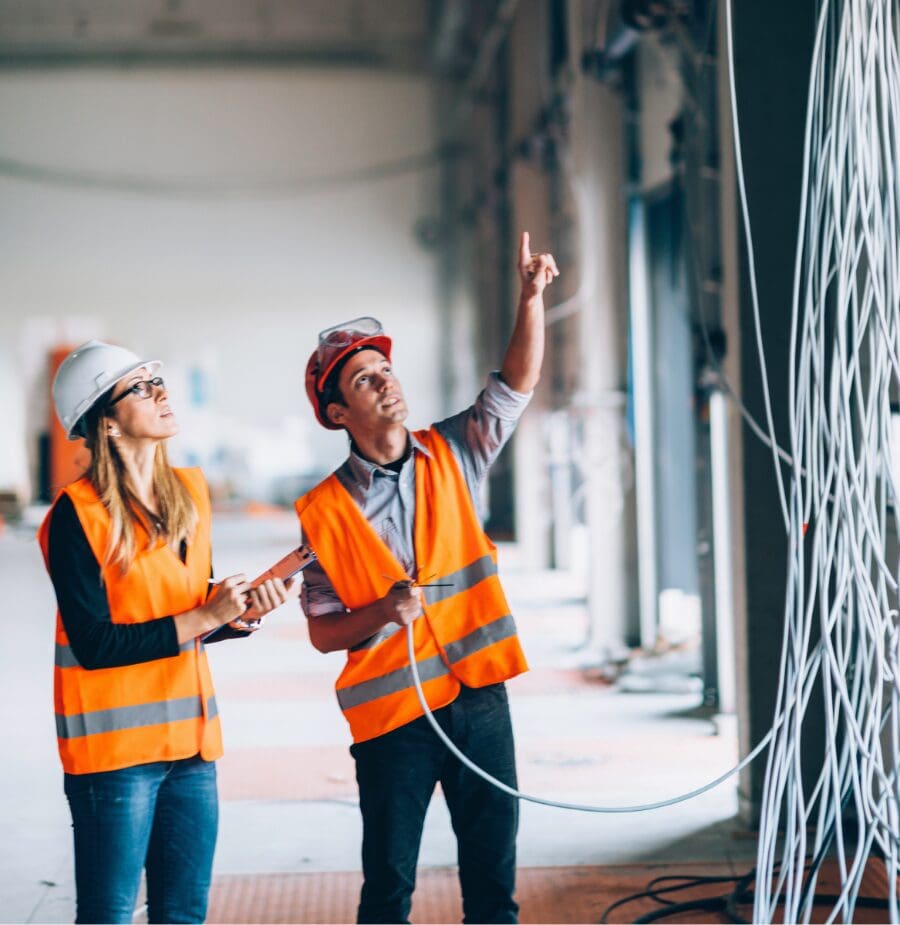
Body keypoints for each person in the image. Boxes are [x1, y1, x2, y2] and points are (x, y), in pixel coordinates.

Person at [296, 232, 559, 924]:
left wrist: (530, 298)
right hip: (392, 721)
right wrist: (382, 611)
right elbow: (323, 633)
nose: (386, 382)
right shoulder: (324, 511)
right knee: (388, 892)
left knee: (492, 891)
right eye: (364, 380)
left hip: (479, 700)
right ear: (336, 414)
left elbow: (515, 387)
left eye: (385, 370)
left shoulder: (454, 452)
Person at [37, 340, 299, 925]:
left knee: (182, 914)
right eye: (139, 387)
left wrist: (236, 614)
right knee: (107, 914)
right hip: (115, 759)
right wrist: (205, 617)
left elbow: (183, 611)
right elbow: (96, 644)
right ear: (105, 423)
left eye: (156, 381)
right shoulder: (75, 517)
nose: (160, 393)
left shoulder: (190, 495)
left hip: (191, 748)